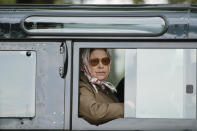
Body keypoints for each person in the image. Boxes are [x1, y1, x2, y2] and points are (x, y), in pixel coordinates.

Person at [79, 48, 124, 126]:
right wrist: (126, 108)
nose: (101, 66)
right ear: (85, 64)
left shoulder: (104, 87)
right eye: (94, 62)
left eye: (105, 61)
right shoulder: (82, 86)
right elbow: (94, 113)